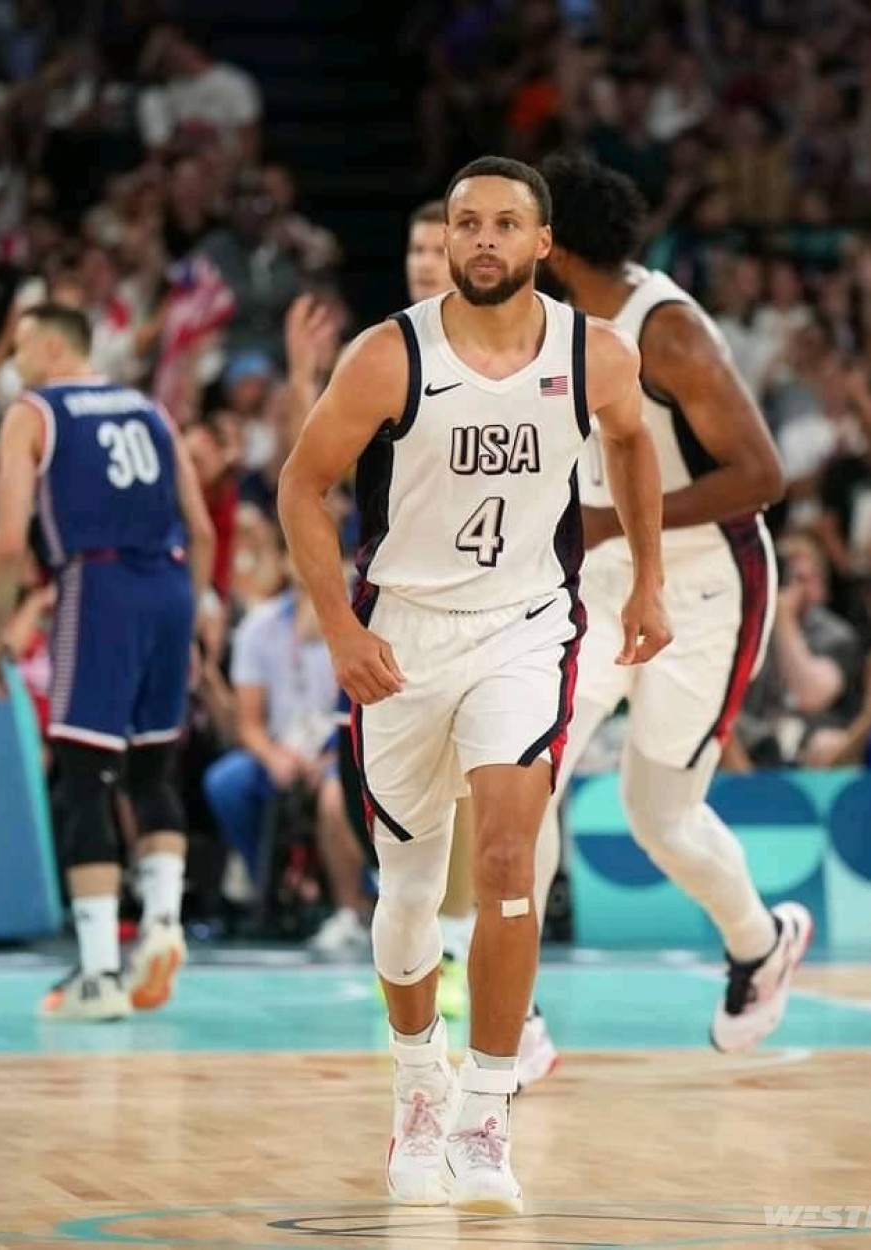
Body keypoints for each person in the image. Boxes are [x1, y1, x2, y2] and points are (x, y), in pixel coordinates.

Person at [277, 155, 670, 1214]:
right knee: (407, 891)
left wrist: (648, 584)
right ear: (446, 242)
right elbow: (301, 486)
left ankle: (487, 1110)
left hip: (525, 627)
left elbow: (634, 448)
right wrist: (336, 623)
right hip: (401, 636)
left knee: (507, 859)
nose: (484, 239)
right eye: (466, 224)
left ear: (543, 243)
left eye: (505, 223)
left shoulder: (598, 354)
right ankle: (418, 1082)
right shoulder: (386, 356)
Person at [524, 153, 809, 1076]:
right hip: (604, 583)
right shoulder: (545, 320)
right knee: (530, 775)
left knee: (660, 815)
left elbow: (762, 478)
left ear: (555, 247)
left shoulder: (670, 334)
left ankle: (759, 942)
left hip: (706, 586)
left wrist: (615, 520)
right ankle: (511, 1012)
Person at [0, 303, 215, 1020]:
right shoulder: (150, 409)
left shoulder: (33, 412)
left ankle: (95, 973)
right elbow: (203, 527)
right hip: (173, 587)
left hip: (99, 583)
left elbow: (5, 543)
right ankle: (161, 925)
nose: (15, 362)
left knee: (84, 777)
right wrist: (195, 619)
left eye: (22, 347)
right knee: (151, 771)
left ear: (53, 347)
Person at [402, 197, 476, 1019]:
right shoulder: (386, 349)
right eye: (416, 247)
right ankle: (416, 945)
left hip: (489, 599)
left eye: (437, 245)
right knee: (411, 791)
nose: (426, 258)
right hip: (402, 597)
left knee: (470, 789)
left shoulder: (509, 350)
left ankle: (454, 953)